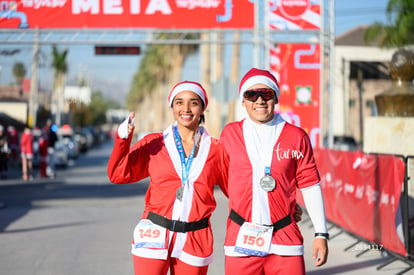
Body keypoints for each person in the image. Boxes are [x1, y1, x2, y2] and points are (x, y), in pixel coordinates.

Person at [107, 81, 229, 275]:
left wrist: (286, 203)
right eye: (179, 102)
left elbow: (238, 189)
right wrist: (123, 139)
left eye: (193, 102)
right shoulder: (154, 143)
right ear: (172, 106)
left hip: (195, 237)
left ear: (203, 107)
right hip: (154, 232)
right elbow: (118, 174)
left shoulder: (217, 149)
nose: (186, 108)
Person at [220, 68, 328, 275]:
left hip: (284, 240)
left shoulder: (297, 136)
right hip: (241, 239)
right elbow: (223, 179)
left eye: (266, 94)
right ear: (243, 101)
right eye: (251, 95)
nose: (259, 100)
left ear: (276, 98)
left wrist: (321, 233)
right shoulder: (229, 134)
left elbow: (310, 185)